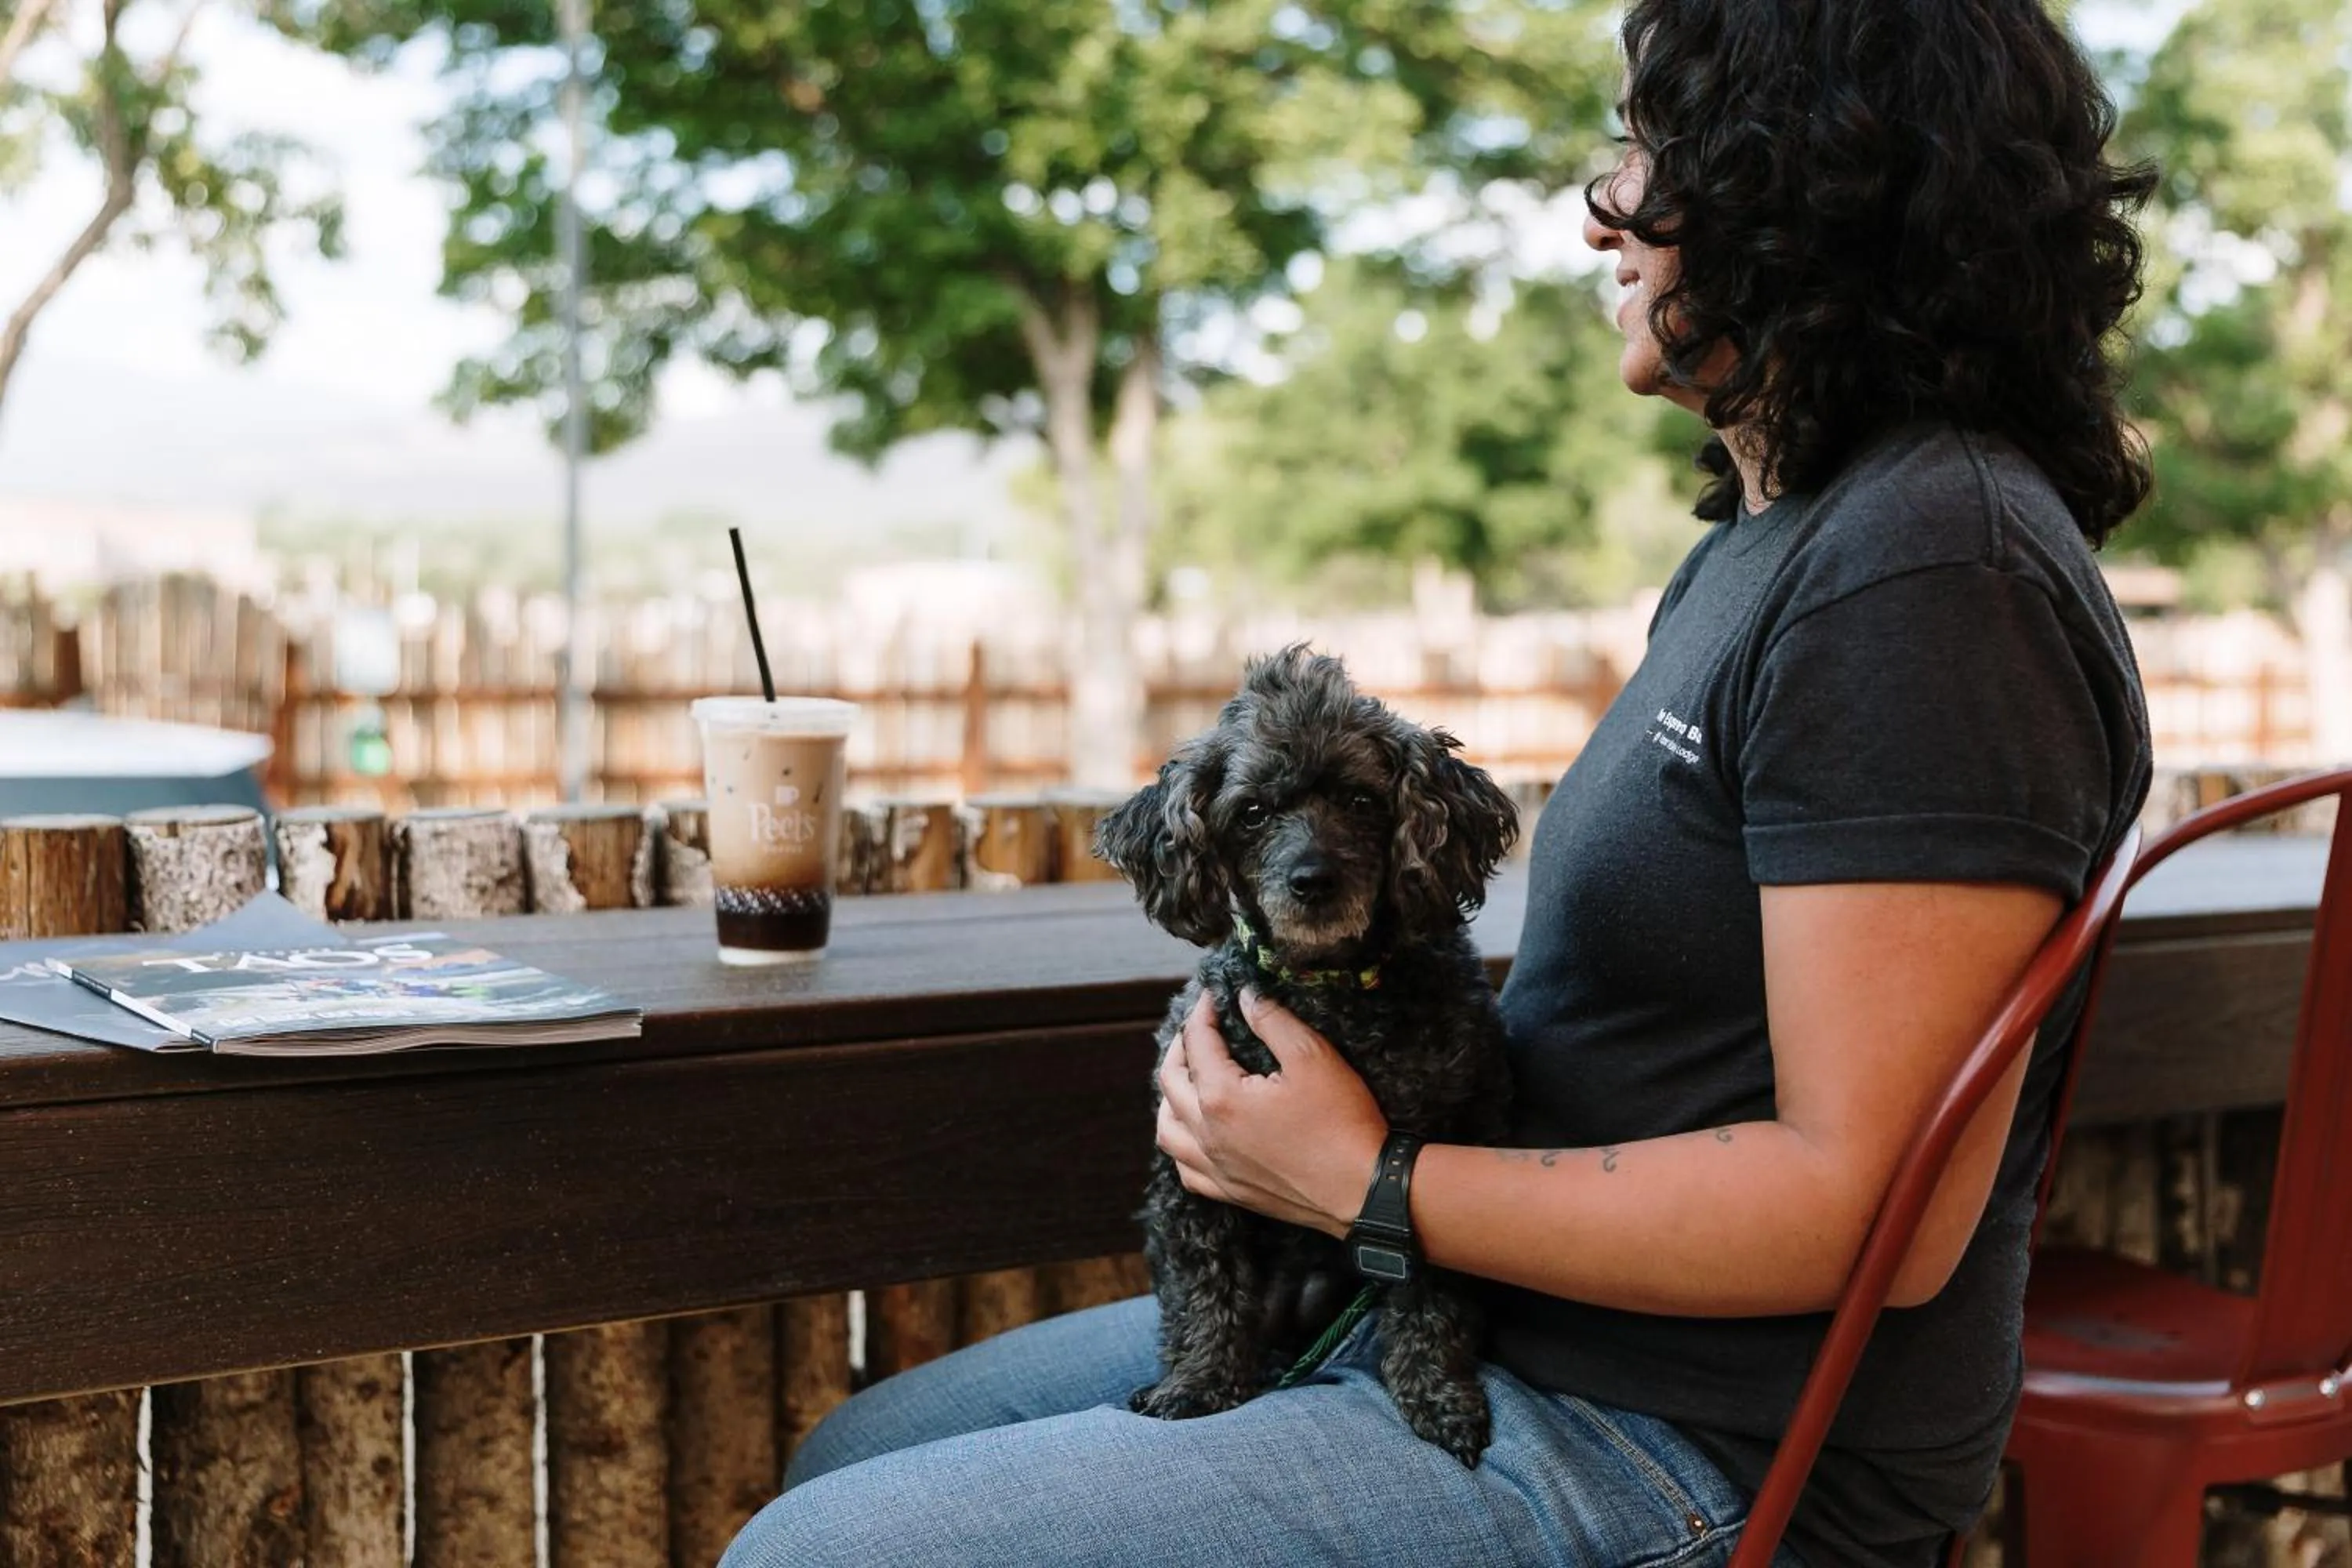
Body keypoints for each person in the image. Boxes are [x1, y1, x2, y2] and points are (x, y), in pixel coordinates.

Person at [722, 1, 2155, 1562]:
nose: (1604, 210)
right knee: (853, 1452)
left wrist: (1367, 1180)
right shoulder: (1771, 551)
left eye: (1649, 153)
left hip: (1704, 1441)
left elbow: (1865, 1206)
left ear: (1806, 187)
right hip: (1489, 1309)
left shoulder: (1930, 573)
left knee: (820, 1554)